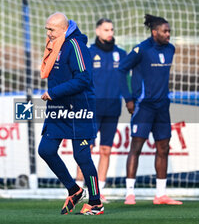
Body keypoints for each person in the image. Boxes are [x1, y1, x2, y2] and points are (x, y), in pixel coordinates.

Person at [39, 12, 104, 215]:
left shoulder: (76, 45)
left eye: (52, 29)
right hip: (58, 109)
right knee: (46, 150)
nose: (48, 33)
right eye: (47, 29)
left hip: (79, 109)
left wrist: (53, 92)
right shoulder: (56, 44)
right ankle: (74, 190)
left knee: (82, 156)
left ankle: (96, 203)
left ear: (64, 28)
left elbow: (84, 79)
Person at [118, 14, 182, 205]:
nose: (168, 34)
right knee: (136, 147)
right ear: (155, 32)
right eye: (165, 31)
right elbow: (121, 69)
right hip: (143, 107)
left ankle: (160, 195)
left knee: (163, 147)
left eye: (169, 30)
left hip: (163, 106)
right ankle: (130, 193)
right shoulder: (141, 49)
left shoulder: (171, 49)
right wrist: (129, 99)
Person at [75, 18, 126, 203]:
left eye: (111, 29)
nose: (109, 32)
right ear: (98, 31)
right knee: (85, 148)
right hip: (92, 108)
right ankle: (78, 190)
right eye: (106, 29)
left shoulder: (121, 54)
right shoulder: (88, 53)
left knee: (105, 150)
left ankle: (100, 191)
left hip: (113, 109)